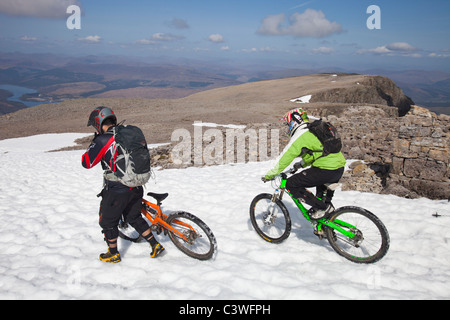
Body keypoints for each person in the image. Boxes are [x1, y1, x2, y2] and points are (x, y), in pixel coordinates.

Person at [82, 106, 164, 263]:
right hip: (136, 186)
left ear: (99, 123)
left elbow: (87, 162)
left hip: (116, 189)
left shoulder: (103, 140)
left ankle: (113, 253)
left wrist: (94, 144)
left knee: (107, 221)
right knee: (133, 216)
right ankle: (155, 245)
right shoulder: (127, 134)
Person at [264, 108, 346, 219]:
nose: (288, 127)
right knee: (322, 205)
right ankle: (326, 228)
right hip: (338, 168)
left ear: (295, 121)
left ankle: (324, 208)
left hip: (325, 170)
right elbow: (315, 154)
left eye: (288, 124)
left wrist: (269, 174)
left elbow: (285, 157)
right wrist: (299, 165)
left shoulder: (301, 134)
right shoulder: (313, 131)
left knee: (291, 184)